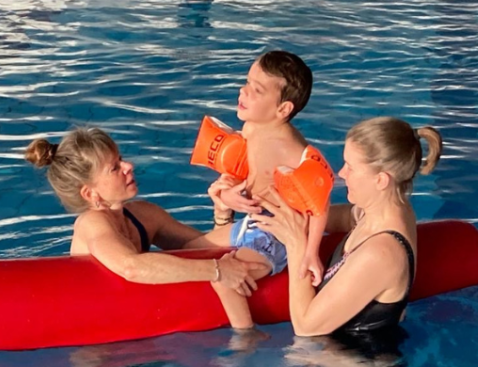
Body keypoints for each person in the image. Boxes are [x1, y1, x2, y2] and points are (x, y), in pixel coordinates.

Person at [251, 117, 442, 339]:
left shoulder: (382, 254)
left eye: (350, 167)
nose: (341, 174)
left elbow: (306, 327)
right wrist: (287, 208)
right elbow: (340, 217)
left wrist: (297, 245)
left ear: (381, 180)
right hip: (333, 355)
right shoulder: (381, 211)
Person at [26, 127, 264, 295]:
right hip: (98, 350)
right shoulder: (91, 223)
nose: (129, 166)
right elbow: (131, 267)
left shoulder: (144, 215)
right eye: (115, 168)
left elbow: (202, 248)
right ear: (90, 193)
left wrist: (222, 212)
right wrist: (217, 271)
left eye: (122, 159)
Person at [189, 50, 328, 329]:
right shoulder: (251, 127)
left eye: (257, 89)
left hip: (272, 233)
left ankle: (246, 336)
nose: (244, 91)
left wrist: (310, 253)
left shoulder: (290, 147)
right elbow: (240, 164)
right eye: (247, 82)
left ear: (283, 109)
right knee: (190, 249)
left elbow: (319, 204)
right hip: (250, 221)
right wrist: (228, 195)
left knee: (224, 282)